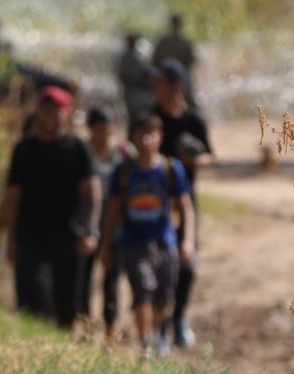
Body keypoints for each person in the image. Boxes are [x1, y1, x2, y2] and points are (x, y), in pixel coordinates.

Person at [0, 86, 101, 328]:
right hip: (31, 237)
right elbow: (11, 196)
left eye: (56, 111)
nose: (50, 116)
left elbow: (93, 193)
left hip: (70, 237)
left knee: (67, 308)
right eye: (46, 110)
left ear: (67, 114)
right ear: (38, 111)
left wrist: (91, 231)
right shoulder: (24, 149)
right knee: (32, 301)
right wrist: (5, 238)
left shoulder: (78, 149)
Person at [99, 114, 195, 359]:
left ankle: (158, 331)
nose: (145, 139)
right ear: (132, 138)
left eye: (150, 134)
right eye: (141, 134)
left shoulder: (171, 169)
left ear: (159, 137)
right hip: (134, 242)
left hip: (166, 242)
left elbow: (185, 206)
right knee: (142, 291)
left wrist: (187, 240)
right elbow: (113, 212)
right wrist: (106, 246)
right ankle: (146, 342)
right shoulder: (124, 172)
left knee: (164, 299)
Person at [150, 58, 214, 349]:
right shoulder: (151, 119)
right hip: (152, 202)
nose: (155, 85)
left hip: (185, 200)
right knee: (156, 265)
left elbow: (210, 156)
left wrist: (194, 159)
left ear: (175, 86)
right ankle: (159, 325)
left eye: (160, 81)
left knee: (187, 263)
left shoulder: (194, 120)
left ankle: (178, 318)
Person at [78, 107, 129, 343]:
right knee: (84, 279)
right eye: (97, 130)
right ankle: (87, 329)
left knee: (111, 279)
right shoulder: (82, 151)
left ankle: (110, 333)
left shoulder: (124, 152)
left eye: (106, 129)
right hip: (86, 221)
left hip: (114, 223)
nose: (102, 134)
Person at [152, 13, 198, 104]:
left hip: (169, 81)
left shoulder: (164, 42)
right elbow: (192, 60)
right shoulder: (184, 42)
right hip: (179, 79)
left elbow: (155, 61)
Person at [117, 33, 154, 120]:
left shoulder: (139, 55)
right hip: (131, 90)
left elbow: (147, 70)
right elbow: (124, 74)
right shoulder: (125, 57)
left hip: (141, 90)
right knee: (134, 115)